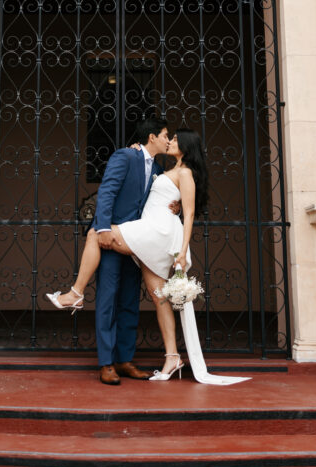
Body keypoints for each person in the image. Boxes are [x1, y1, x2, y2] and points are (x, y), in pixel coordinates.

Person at [47, 125, 250, 387]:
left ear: (185, 146)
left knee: (121, 284)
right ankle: (151, 358)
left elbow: (187, 212)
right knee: (150, 295)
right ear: (152, 137)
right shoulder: (136, 160)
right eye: (167, 136)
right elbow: (108, 192)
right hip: (130, 235)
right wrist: (107, 225)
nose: (169, 141)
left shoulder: (178, 171)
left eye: (174, 139)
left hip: (148, 235)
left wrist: (180, 242)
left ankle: (82, 303)